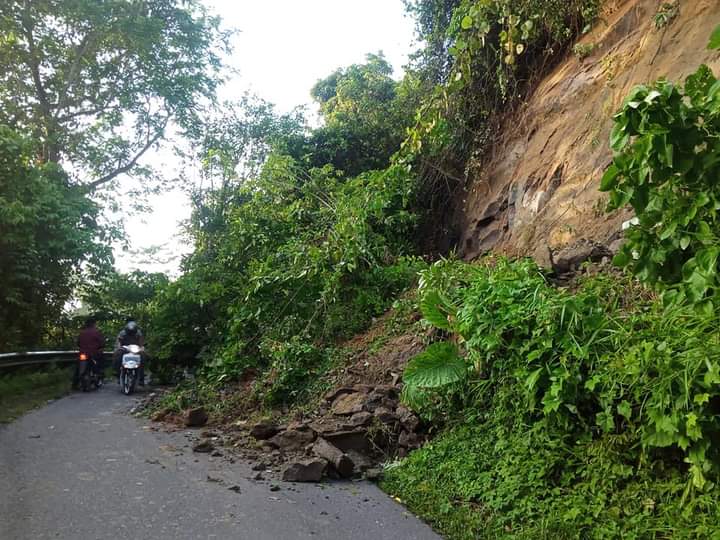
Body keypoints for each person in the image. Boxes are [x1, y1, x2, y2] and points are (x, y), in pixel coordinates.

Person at [74, 317, 105, 389]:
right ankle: (99, 374)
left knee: (78, 367)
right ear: (93, 324)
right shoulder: (96, 332)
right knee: (101, 362)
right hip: (94, 353)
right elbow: (102, 343)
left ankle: (75, 384)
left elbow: (78, 343)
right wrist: (100, 347)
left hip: (83, 354)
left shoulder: (82, 332)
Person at [113, 318, 146, 386]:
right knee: (117, 356)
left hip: (135, 349)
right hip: (125, 349)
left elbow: (141, 342)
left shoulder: (138, 333)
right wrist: (119, 348)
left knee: (143, 357)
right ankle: (118, 372)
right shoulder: (122, 333)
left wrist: (142, 348)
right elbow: (119, 342)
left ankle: (141, 378)